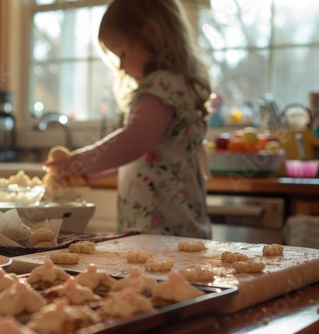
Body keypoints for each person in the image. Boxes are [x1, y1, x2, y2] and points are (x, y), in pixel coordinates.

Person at [45, 0, 212, 238]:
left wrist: (78, 162)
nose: (121, 66)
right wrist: (88, 174)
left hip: (164, 232)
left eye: (122, 53)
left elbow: (132, 142)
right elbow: (143, 159)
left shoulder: (162, 85)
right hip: (174, 229)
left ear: (152, 34)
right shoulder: (174, 85)